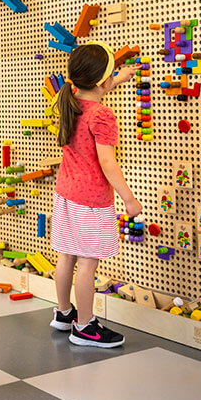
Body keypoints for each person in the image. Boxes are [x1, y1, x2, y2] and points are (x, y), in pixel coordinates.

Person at [49, 41, 142, 347]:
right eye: (111, 75)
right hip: (91, 200)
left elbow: (94, 91)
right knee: (88, 264)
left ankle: (64, 313)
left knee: (66, 256)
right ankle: (85, 327)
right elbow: (107, 161)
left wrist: (117, 79)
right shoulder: (102, 115)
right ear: (101, 82)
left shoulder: (69, 100)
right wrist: (128, 197)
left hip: (65, 194)